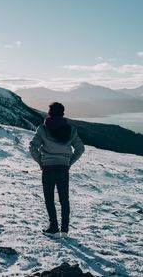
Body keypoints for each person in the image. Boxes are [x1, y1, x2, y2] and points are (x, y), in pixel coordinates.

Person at [29, 102, 85, 238]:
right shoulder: (71, 129)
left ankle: (53, 228)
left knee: (49, 199)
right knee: (64, 199)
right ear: (62, 113)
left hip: (48, 169)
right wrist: (69, 162)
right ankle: (64, 230)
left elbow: (32, 147)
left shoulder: (43, 128)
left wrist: (41, 162)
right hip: (63, 169)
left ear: (49, 112)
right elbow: (80, 148)